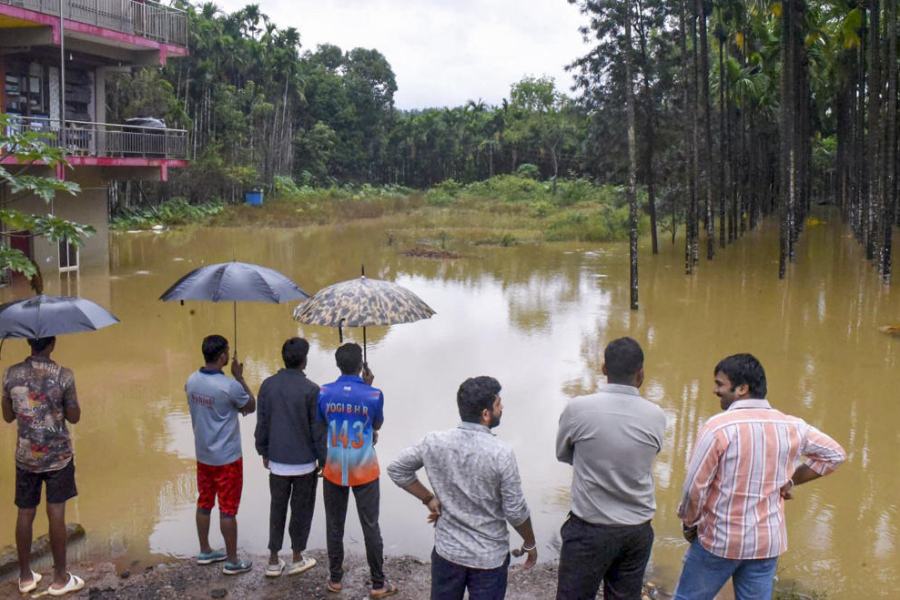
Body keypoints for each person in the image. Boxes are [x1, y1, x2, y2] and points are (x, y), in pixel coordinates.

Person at [674, 353, 847, 600]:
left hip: (720, 540)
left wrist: (690, 522)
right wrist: (789, 480)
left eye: (720, 384)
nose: (715, 390)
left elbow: (694, 488)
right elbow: (835, 455)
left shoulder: (719, 427)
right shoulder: (792, 427)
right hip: (766, 543)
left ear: (742, 388)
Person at [387, 376, 537, 600]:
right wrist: (529, 541)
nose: (502, 407)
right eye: (498, 404)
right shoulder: (501, 453)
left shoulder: (434, 441)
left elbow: (397, 469)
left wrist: (428, 498)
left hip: (448, 553)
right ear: (486, 414)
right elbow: (515, 511)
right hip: (489, 559)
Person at [555, 337, 666, 600]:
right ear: (641, 372)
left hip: (589, 528)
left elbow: (563, 454)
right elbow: (646, 455)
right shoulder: (656, 415)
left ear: (604, 369)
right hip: (636, 530)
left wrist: (593, 462)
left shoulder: (578, 409)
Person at [2, 337, 85, 596]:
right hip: (57, 456)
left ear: (29, 341)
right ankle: (60, 578)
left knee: (25, 513)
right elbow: (74, 417)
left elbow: (7, 416)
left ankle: (25, 577)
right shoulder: (64, 376)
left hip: (26, 457)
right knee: (56, 512)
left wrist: (6, 391)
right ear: (53, 344)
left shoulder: (11, 374)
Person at [318, 343, 397, 597]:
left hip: (333, 467)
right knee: (370, 525)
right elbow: (377, 423)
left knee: (334, 525)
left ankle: (335, 579)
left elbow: (322, 422)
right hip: (364, 469)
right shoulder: (374, 395)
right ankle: (377, 583)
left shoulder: (323, 392)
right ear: (361, 364)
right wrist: (369, 386)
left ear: (338, 364)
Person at [185, 334, 256, 575]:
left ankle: (205, 550)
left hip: (203, 456)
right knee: (228, 509)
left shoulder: (191, 381)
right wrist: (239, 376)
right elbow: (250, 406)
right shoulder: (230, 386)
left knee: (204, 502)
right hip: (227, 459)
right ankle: (232, 561)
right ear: (223, 356)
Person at [254, 337, 324, 577]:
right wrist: (323, 459)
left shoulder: (268, 385)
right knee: (301, 510)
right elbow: (317, 430)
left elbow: (262, 422)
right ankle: (296, 557)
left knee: (277, 508)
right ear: (304, 361)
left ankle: (273, 560)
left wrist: (263, 450)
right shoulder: (312, 389)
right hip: (304, 463)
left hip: (277, 462)